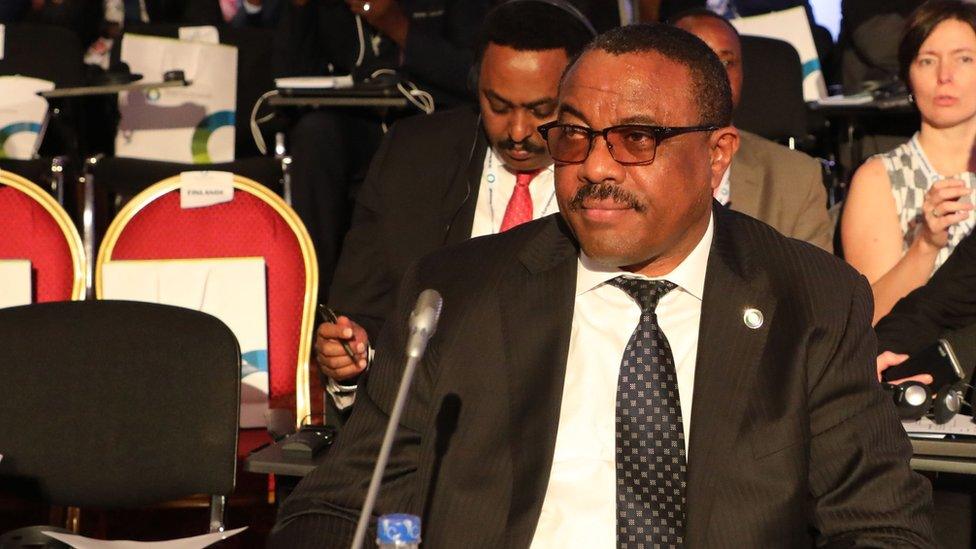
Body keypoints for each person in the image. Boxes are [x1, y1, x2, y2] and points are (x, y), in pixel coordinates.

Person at [270, 24, 933, 547]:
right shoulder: (459, 292)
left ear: (718, 153)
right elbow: (334, 507)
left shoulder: (810, 300)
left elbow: (882, 528)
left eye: (636, 139)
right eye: (574, 136)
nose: (593, 168)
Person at [315, 0, 595, 419]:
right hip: (427, 427)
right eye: (498, 106)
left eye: (541, 111)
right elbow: (361, 313)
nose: (517, 132)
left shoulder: (608, 168)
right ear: (474, 84)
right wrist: (350, 357)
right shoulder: (413, 158)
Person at [275, 0, 490, 305]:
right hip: (358, 125)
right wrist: (299, 9)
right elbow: (287, 77)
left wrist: (396, 26)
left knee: (416, 145)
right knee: (315, 134)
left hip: (429, 120)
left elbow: (474, 77)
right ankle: (311, 304)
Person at [841, 0, 976, 325]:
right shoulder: (880, 178)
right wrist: (926, 245)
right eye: (927, 61)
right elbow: (868, 320)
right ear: (908, 75)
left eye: (964, 59)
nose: (945, 76)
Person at [672, 8, 832, 251]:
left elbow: (813, 286)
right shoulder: (626, 165)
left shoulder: (796, 179)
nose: (715, 74)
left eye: (726, 62)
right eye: (698, 61)